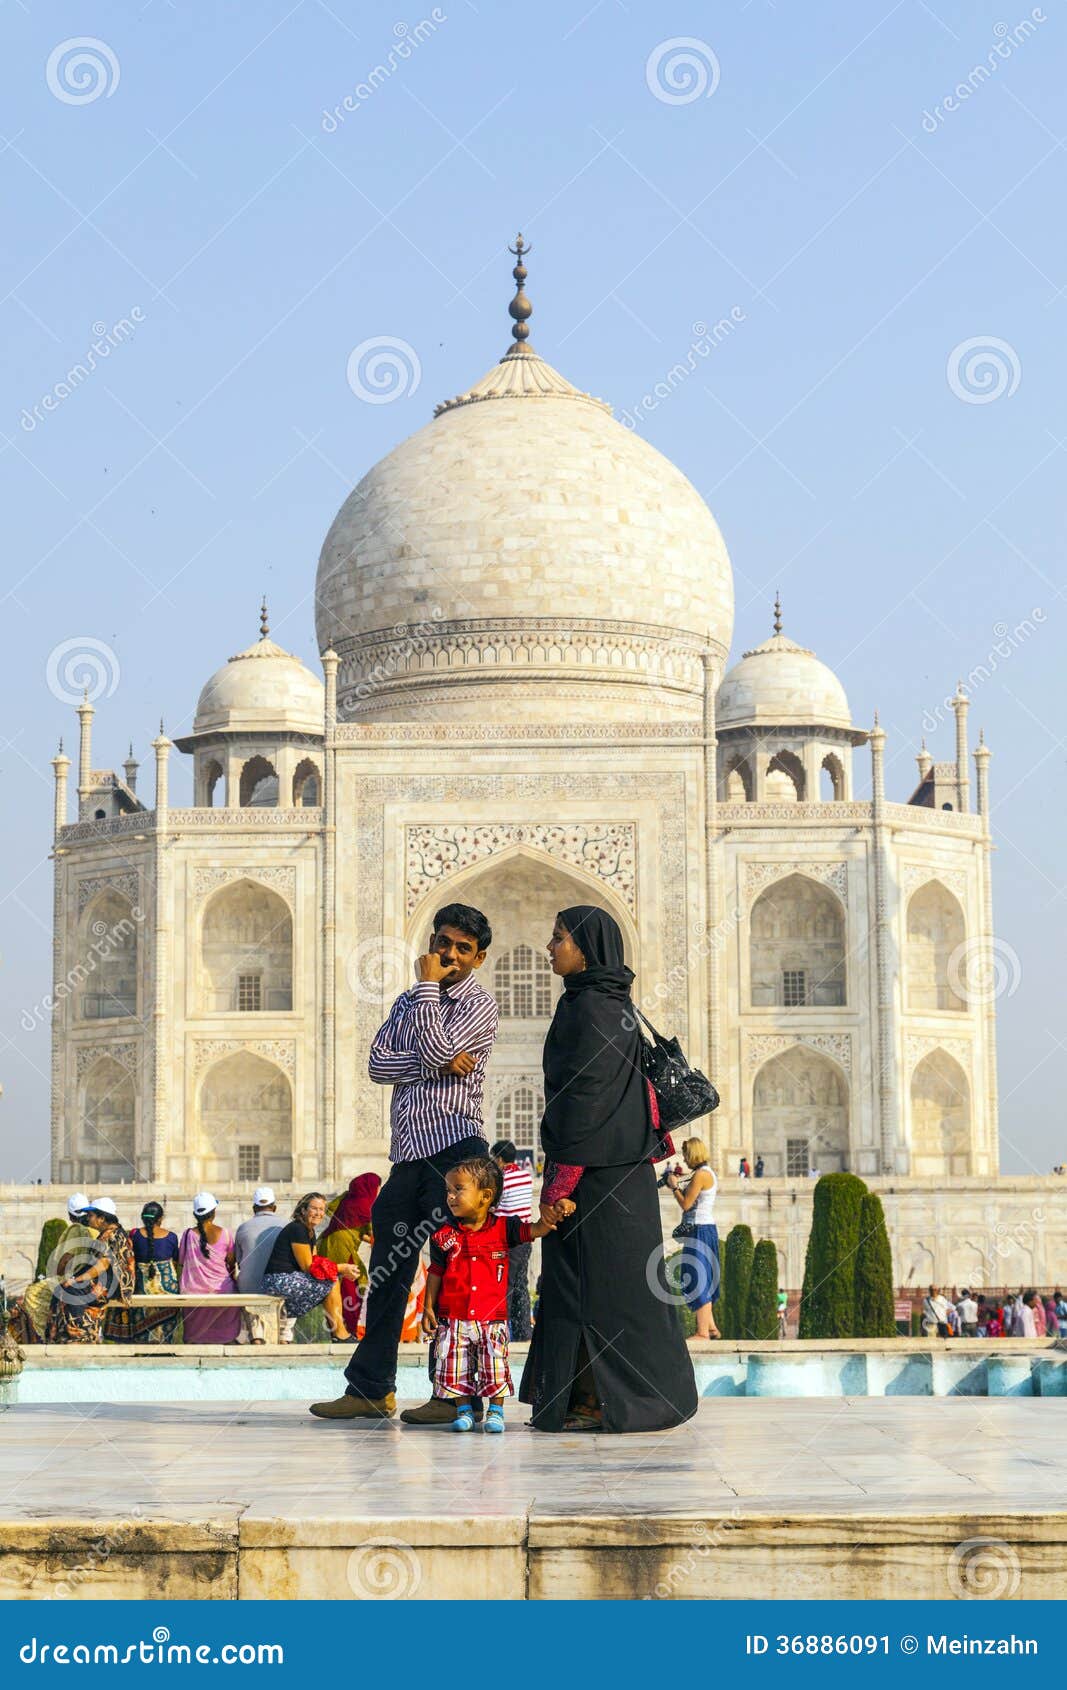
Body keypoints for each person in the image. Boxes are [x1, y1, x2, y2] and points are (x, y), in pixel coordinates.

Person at [310, 903, 499, 1425]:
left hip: (457, 1153)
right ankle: (371, 1389)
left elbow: (442, 1045)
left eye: (463, 948)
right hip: (410, 1157)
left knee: (456, 1272)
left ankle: (454, 1395)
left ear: (478, 958)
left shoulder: (479, 1005)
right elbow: (377, 1064)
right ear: (432, 942)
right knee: (389, 1274)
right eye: (444, 943)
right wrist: (435, 1060)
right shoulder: (408, 1001)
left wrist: (427, 998)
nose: (450, 954)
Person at [519, 906, 698, 1434]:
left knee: (587, 1290)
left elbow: (586, 1104)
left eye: (558, 939)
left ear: (586, 949)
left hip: (593, 1182)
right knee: (618, 1292)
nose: (550, 948)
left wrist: (559, 1184)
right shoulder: (606, 1001)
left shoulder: (587, 1009)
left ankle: (604, 1400)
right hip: (624, 1178)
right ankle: (599, 1398)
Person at [422, 1156, 560, 1433]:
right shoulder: (444, 1235)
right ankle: (464, 1410)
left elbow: (536, 1230)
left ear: (485, 1196)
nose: (450, 1196)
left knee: (494, 1364)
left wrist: (554, 1212)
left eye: (458, 1189)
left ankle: (495, 1410)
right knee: (454, 1364)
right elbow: (436, 1272)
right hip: (454, 1317)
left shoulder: (504, 1228)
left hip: (491, 1317)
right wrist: (429, 1308)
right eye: (448, 1190)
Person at [262, 1193, 359, 1341]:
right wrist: (340, 1268)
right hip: (278, 1281)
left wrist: (339, 1271)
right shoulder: (298, 1229)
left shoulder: (309, 1231)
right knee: (332, 1282)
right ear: (303, 1210)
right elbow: (308, 1266)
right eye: (314, 1208)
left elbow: (316, 1261)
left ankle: (338, 1332)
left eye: (322, 1209)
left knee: (331, 1279)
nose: (319, 1213)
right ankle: (339, 1333)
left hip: (288, 1279)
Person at [9, 1193, 96, 1344]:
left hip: (73, 1278)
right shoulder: (95, 1230)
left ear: (70, 1214)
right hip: (92, 1279)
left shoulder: (76, 1229)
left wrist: (58, 1272)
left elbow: (66, 1258)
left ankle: (43, 1333)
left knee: (32, 1292)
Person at [45, 1199, 134, 1344]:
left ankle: (80, 1336)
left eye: (90, 1215)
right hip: (103, 1282)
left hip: (107, 1286)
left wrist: (77, 1279)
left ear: (102, 1218)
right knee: (61, 1290)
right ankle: (63, 1336)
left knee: (72, 1291)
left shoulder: (111, 1235)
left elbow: (103, 1264)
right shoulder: (112, 1232)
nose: (88, 1218)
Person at [666, 1137, 721, 1341]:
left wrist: (674, 1187)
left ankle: (702, 1332)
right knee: (702, 1274)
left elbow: (687, 1204)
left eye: (686, 1155)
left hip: (700, 1230)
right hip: (705, 1229)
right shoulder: (707, 1173)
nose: (685, 1160)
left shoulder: (700, 1175)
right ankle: (712, 1327)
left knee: (699, 1277)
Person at [106, 1201, 181, 1342]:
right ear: (161, 1218)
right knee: (165, 1334)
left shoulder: (135, 1235)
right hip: (167, 1293)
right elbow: (175, 1264)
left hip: (141, 1290)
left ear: (143, 1217)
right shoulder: (171, 1237)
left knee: (144, 1332)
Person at [319, 1174, 381, 1337]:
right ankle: (348, 1329)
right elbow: (375, 1233)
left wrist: (359, 1235)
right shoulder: (367, 1205)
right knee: (352, 1285)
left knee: (336, 1285)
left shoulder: (347, 1197)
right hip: (343, 1248)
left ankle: (339, 1328)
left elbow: (332, 1210)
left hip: (328, 1242)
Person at [178, 1194, 241, 1344]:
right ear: (214, 1212)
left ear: (195, 1214)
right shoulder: (225, 1233)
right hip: (221, 1289)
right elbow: (232, 1262)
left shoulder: (188, 1235)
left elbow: (181, 1262)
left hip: (193, 1289)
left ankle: (196, 1340)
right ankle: (225, 1339)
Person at [491, 1139, 534, 1340]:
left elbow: (495, 1209)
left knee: (504, 1285)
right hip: (526, 1239)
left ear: (499, 1158)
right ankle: (522, 1331)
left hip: (508, 1238)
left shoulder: (501, 1180)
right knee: (521, 1284)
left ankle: (501, 1330)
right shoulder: (527, 1176)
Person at [233, 1187, 284, 1344]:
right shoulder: (286, 1225)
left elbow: (239, 1261)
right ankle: (284, 1335)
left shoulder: (243, 1228)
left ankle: (256, 1335)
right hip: (277, 1286)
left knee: (247, 1280)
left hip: (250, 1287)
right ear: (274, 1207)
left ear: (254, 1208)